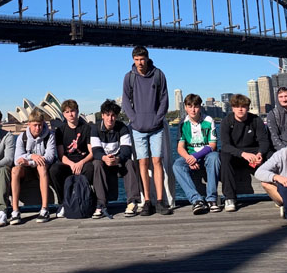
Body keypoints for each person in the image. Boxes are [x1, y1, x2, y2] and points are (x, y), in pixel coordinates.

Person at [122, 46, 171, 216]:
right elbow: (126, 101)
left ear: (147, 58)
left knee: (157, 162)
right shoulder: (129, 77)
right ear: (133, 60)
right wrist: (134, 119)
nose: (140, 63)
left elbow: (164, 99)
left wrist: (158, 119)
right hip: (138, 128)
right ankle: (147, 201)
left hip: (156, 127)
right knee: (142, 163)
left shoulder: (158, 74)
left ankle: (160, 201)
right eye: (136, 60)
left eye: (142, 59)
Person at [219, 94, 271, 212]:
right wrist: (243, 154)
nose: (240, 109)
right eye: (237, 106)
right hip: (236, 153)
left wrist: (260, 154)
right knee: (224, 156)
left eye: (243, 106)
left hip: (253, 152)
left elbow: (264, 141)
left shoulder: (256, 120)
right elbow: (225, 145)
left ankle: (279, 191)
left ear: (248, 107)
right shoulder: (226, 121)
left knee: (270, 155)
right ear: (232, 108)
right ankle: (230, 198)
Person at [90, 99, 141, 218]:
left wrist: (117, 159)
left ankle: (132, 202)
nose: (110, 118)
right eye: (107, 115)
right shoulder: (95, 128)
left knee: (129, 163)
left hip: (118, 162)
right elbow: (96, 151)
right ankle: (101, 204)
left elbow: (126, 150)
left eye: (113, 115)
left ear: (116, 116)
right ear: (102, 115)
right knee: (97, 163)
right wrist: (105, 158)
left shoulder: (122, 128)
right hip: (104, 161)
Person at [172, 93, 221, 215]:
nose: (193, 110)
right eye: (190, 106)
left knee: (215, 157)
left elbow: (212, 145)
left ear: (200, 107)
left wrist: (195, 157)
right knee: (177, 165)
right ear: (185, 107)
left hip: (207, 155)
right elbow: (180, 147)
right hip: (191, 156)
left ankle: (212, 199)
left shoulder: (208, 121)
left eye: (196, 106)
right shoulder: (183, 123)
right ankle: (197, 200)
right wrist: (189, 158)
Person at [49, 99, 94, 218]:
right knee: (54, 170)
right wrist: (72, 164)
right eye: (67, 112)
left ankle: (85, 199)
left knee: (90, 168)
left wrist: (81, 163)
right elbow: (61, 155)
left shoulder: (86, 128)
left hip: (83, 162)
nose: (71, 114)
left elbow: (91, 153)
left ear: (77, 111)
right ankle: (63, 202)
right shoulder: (60, 131)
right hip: (68, 163)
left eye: (73, 111)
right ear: (63, 114)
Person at [10, 108, 56, 225]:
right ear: (29, 124)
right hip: (26, 170)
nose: (38, 128)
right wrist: (32, 156)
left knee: (42, 167)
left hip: (40, 168)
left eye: (40, 125)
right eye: (35, 125)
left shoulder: (49, 136)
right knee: (15, 170)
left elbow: (49, 157)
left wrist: (29, 162)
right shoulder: (22, 137)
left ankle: (44, 209)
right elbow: (17, 159)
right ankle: (15, 210)